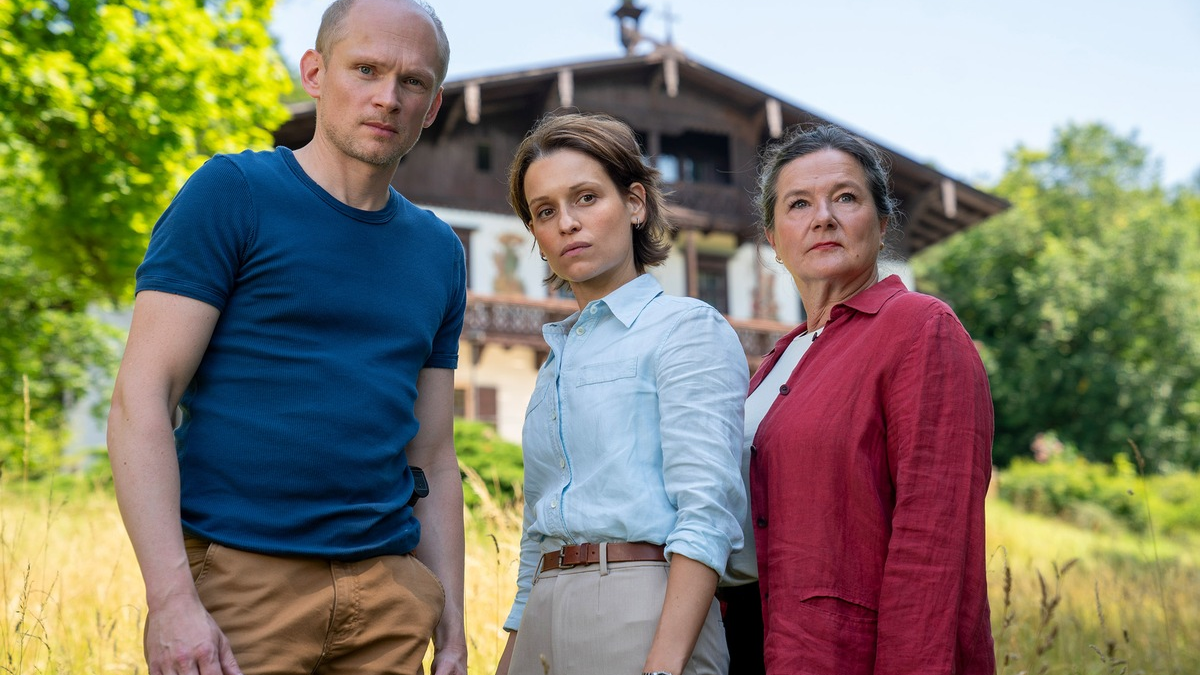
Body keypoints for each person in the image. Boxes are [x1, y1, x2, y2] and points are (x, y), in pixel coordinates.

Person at [106, 1, 468, 673]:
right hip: (242, 590)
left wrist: (452, 621)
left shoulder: (439, 251)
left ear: (434, 105)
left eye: (412, 81)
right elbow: (140, 399)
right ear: (314, 72)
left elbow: (436, 454)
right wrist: (171, 601)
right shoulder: (233, 193)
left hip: (388, 599)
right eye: (366, 69)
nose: (388, 97)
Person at [493, 112, 749, 675]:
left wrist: (664, 663)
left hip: (643, 605)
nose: (567, 223)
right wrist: (512, 653)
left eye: (586, 197)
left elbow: (707, 510)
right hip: (544, 609)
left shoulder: (687, 329)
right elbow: (538, 529)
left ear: (635, 204)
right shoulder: (552, 366)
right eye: (545, 211)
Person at [747, 124, 995, 674]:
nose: (823, 217)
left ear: (882, 226)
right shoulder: (774, 364)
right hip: (760, 647)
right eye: (799, 204)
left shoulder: (919, 328)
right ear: (773, 238)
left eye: (845, 197)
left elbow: (932, 544)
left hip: (846, 657)